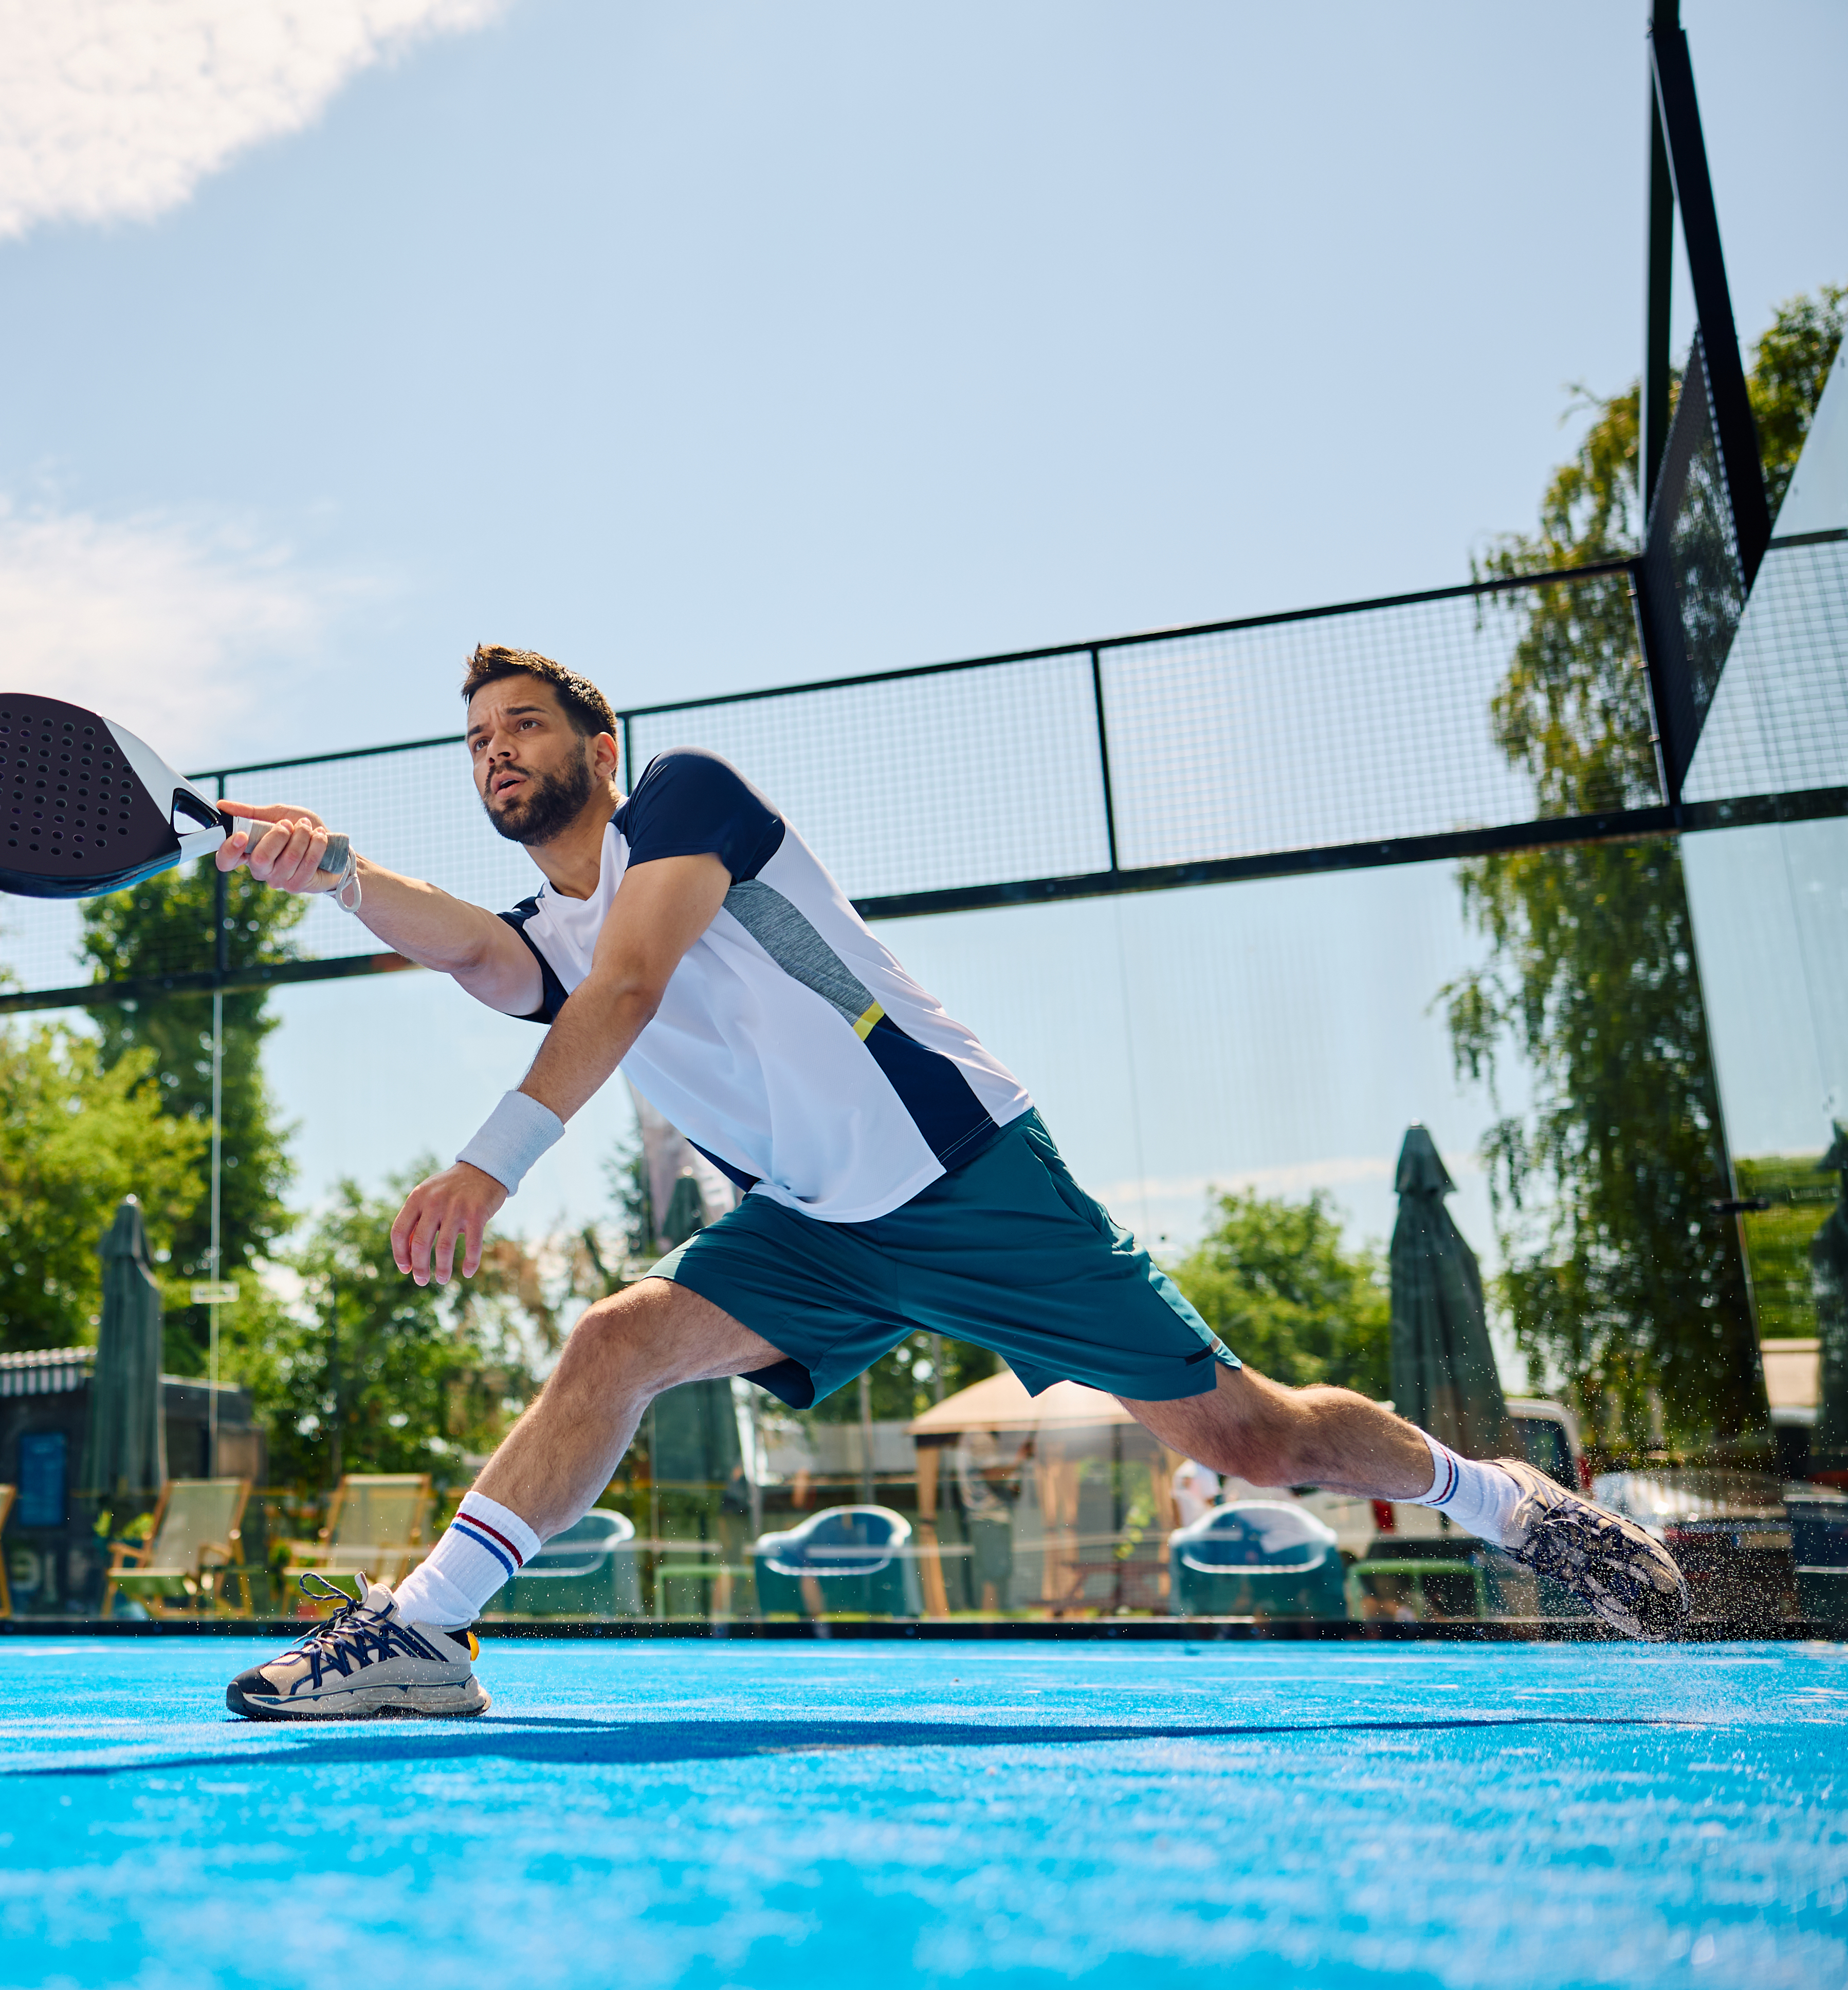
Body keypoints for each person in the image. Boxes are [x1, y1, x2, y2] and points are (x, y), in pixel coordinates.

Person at [214, 645, 1689, 1718]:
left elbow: (635, 985)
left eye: (524, 724)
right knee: (613, 1343)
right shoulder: (548, 923)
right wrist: (336, 872)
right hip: (808, 1232)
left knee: (1252, 1438)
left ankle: (1513, 1508)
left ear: (600, 747)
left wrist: (490, 1164)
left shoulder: (687, 800)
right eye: (474, 738)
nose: (495, 752)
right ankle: (424, 1633)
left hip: (971, 1179)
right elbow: (483, 951)